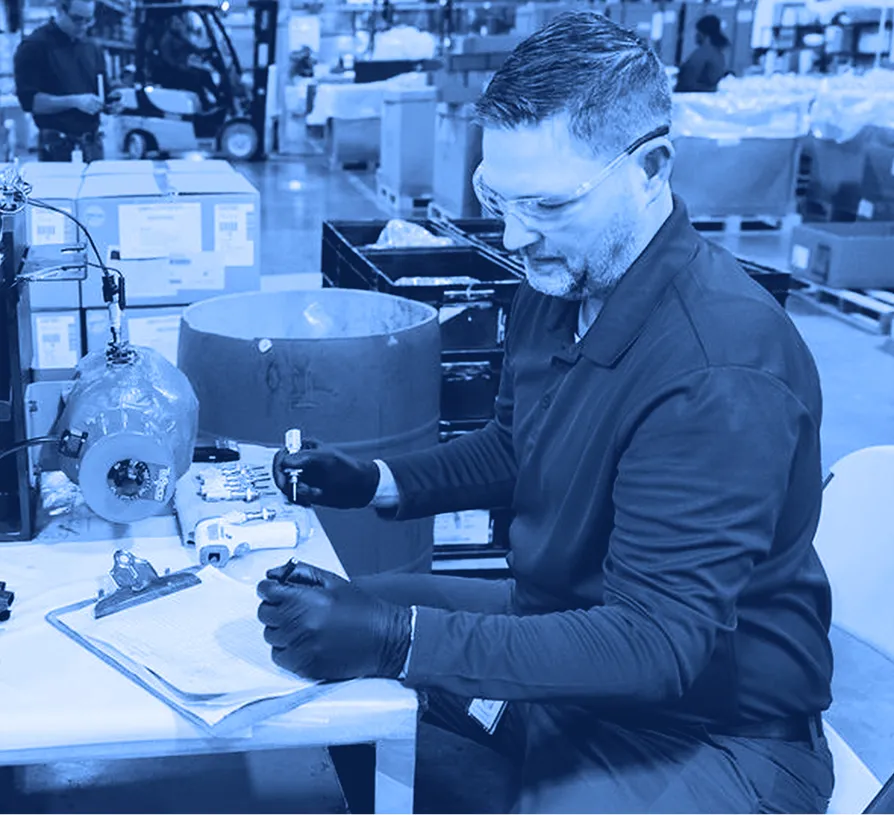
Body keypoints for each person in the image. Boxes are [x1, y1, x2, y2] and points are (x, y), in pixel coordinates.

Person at [257, 11, 835, 813]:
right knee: (334, 639)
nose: (517, 235)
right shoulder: (559, 285)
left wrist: (405, 638)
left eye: (549, 205)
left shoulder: (719, 366)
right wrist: (374, 479)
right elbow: (517, 446)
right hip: (572, 629)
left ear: (651, 168)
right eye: (498, 197)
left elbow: (655, 641)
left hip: (709, 729)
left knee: (387, 634)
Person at [14, 0, 111, 161]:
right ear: (60, 9)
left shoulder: (91, 47)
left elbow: (103, 90)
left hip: (93, 146)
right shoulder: (34, 46)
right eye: (77, 19)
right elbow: (29, 102)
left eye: (89, 20)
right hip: (57, 147)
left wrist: (112, 102)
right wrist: (74, 101)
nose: (83, 26)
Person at [154, 12, 218, 110]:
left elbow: (192, 48)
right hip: (173, 71)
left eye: (179, 22)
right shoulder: (167, 39)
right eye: (175, 23)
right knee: (197, 77)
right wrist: (180, 66)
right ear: (170, 23)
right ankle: (205, 103)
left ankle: (215, 98)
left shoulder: (179, 37)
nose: (178, 24)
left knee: (204, 74)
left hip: (182, 68)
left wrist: (205, 52)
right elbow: (167, 58)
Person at [675, 14, 730, 92]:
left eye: (697, 32)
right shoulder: (719, 53)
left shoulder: (703, 54)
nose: (695, 35)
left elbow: (687, 82)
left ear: (703, 34)